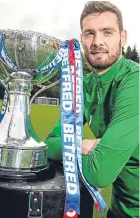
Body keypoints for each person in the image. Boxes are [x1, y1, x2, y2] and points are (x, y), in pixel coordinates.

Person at [45, 1, 139, 218]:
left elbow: (100, 173)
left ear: (122, 37)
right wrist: (80, 145)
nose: (97, 41)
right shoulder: (84, 85)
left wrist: (68, 148)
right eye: (90, 34)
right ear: (82, 40)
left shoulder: (134, 81)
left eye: (107, 32)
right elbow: (48, 144)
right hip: (118, 211)